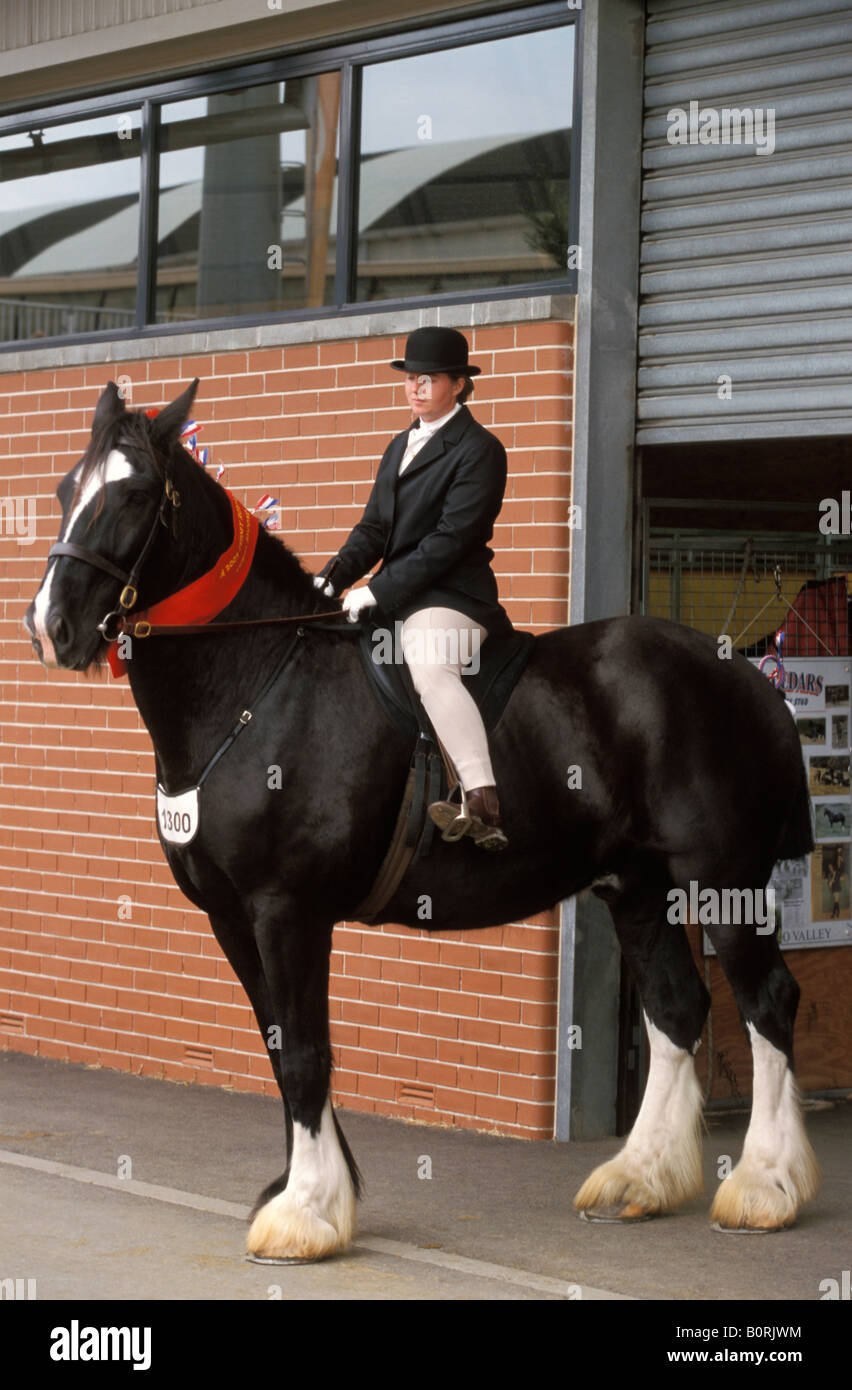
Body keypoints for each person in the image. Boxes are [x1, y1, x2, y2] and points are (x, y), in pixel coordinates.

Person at [314, 326, 512, 850]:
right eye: (411, 378)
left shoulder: (479, 450)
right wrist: (331, 577)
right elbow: (374, 530)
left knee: (429, 662)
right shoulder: (400, 444)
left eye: (430, 379)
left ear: (459, 385)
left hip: (453, 597)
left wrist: (377, 590)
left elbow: (450, 540)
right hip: (399, 595)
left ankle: (482, 799)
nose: (417, 387)